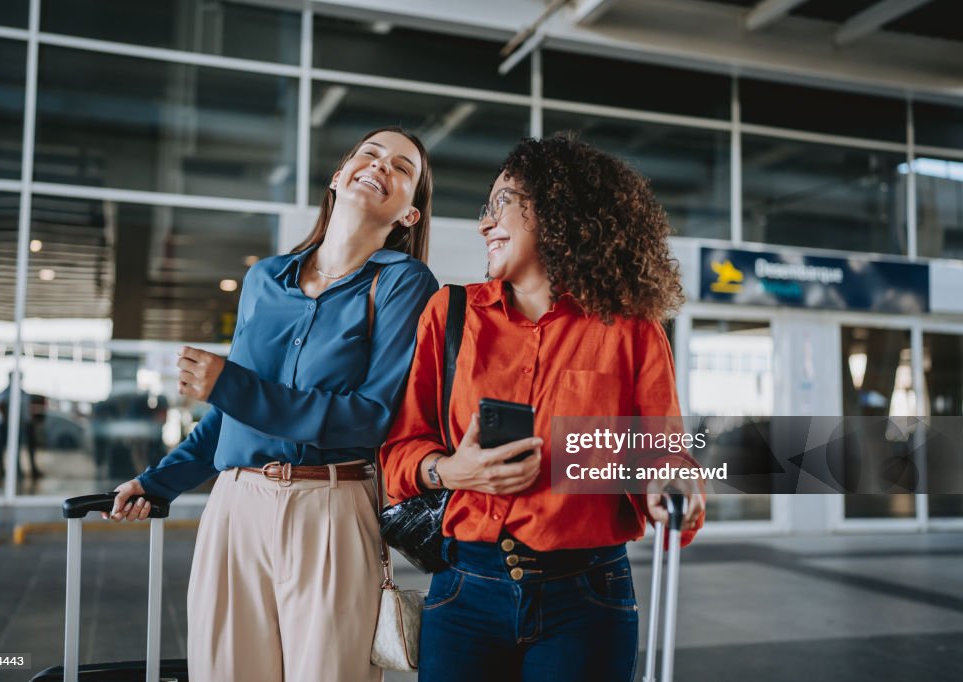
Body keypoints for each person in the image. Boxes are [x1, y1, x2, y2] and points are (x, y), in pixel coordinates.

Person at [103, 127, 439, 682]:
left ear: (410, 215)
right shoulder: (264, 279)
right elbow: (227, 416)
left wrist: (229, 385)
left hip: (332, 505)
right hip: (236, 508)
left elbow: (372, 415)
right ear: (339, 176)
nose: (381, 167)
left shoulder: (405, 284)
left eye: (403, 169)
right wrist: (156, 482)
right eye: (370, 155)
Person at [381, 134, 706, 682]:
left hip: (587, 599)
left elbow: (661, 458)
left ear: (559, 213)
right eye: (486, 208)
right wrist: (452, 470)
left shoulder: (630, 330)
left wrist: (671, 489)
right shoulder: (451, 312)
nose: (486, 222)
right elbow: (399, 453)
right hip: (465, 592)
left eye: (503, 201)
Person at [0, 371, 42, 480]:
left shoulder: (23, 393)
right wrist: (8, 421)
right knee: (6, 448)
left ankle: (28, 470)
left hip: (23, 424)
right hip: (8, 425)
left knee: (25, 447)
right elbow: (0, 406)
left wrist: (30, 420)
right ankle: (5, 471)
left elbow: (27, 409)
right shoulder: (6, 392)